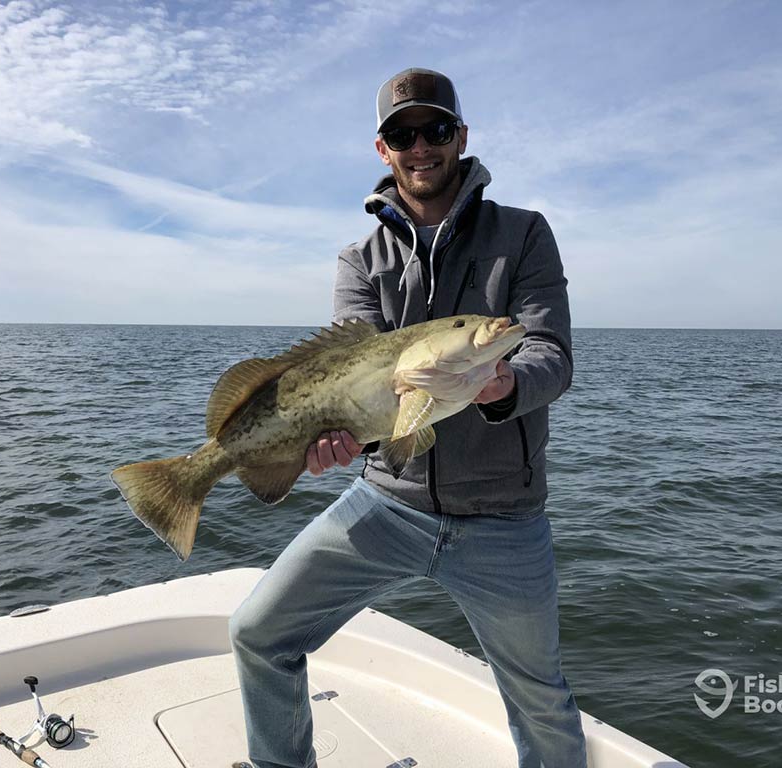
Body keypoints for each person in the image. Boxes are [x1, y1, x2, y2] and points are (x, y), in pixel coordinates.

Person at [229, 67, 586, 768]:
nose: (420, 146)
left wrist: (504, 382)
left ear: (460, 137)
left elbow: (553, 354)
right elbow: (347, 377)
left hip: (503, 518)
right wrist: (330, 445)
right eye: (403, 134)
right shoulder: (360, 258)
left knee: (539, 697)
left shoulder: (524, 235)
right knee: (257, 633)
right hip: (384, 503)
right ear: (382, 148)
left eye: (435, 130)